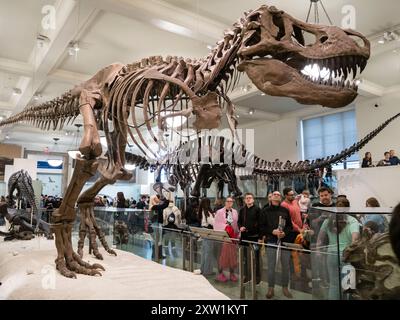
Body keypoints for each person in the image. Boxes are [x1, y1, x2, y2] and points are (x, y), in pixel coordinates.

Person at [317, 198, 360, 299]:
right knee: (348, 286)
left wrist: (318, 251)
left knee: (334, 284)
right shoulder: (352, 220)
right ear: (348, 208)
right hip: (347, 256)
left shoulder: (328, 220)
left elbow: (320, 238)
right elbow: (355, 239)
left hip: (331, 255)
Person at [259, 191, 293, 299]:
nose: (277, 195)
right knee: (271, 266)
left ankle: (285, 287)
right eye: (274, 194)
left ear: (281, 197)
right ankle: (270, 288)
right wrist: (272, 231)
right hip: (271, 241)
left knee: (286, 266)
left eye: (278, 194)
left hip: (284, 241)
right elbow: (261, 227)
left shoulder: (285, 210)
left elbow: (289, 226)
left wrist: (285, 233)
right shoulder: (265, 211)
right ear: (271, 197)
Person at [214, 197, 239, 282]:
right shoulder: (220, 212)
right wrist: (226, 227)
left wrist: (237, 233)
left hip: (232, 238)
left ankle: (232, 273)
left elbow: (236, 224)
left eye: (231, 201)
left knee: (232, 256)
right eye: (227, 201)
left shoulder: (235, 212)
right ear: (225, 202)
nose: (229, 203)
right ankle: (220, 273)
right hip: (223, 237)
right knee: (221, 256)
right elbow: (216, 224)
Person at [238, 193, 261, 284]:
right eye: (246, 198)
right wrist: (240, 227)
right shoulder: (242, 210)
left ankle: (257, 278)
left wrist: (249, 229)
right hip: (244, 238)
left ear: (253, 200)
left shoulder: (257, 210)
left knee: (256, 258)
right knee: (245, 258)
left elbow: (259, 223)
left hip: (254, 237)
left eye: (250, 198)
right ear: (244, 200)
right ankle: (247, 276)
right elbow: (239, 222)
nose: (248, 199)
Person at [149, 194, 170, 259]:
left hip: (157, 224)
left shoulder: (155, 206)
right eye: (155, 198)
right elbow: (164, 205)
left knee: (158, 239)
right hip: (156, 224)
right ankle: (156, 254)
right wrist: (168, 198)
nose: (157, 199)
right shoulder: (154, 207)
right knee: (157, 239)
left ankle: (158, 254)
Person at [198, 198, 215, 276]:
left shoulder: (201, 211)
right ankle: (207, 271)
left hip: (203, 231)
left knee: (204, 252)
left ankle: (203, 269)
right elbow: (212, 222)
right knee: (208, 252)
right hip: (208, 232)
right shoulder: (207, 212)